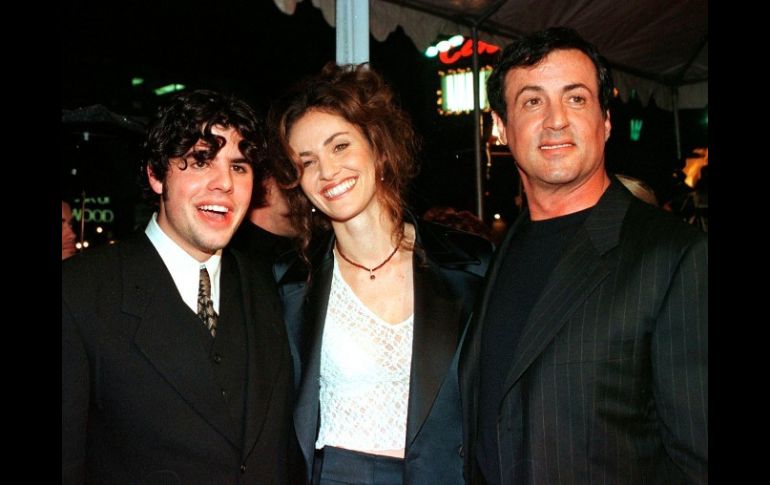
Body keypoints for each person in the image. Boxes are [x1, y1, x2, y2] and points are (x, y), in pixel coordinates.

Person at [459, 27, 708, 484]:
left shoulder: (674, 256)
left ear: (606, 120)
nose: (556, 120)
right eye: (532, 102)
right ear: (500, 126)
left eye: (576, 99)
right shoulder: (502, 254)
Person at [270, 62, 493, 485]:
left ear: (377, 145)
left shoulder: (470, 264)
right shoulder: (291, 282)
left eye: (339, 146)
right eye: (307, 161)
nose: (327, 172)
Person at [62, 89, 295, 484]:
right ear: (156, 175)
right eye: (202, 161)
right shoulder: (79, 292)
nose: (224, 183)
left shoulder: (270, 284)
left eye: (239, 167)